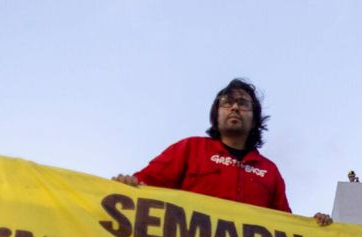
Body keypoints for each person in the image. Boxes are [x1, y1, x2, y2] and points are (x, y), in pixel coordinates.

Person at [113, 78, 331, 225]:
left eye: (243, 104)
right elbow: (144, 184)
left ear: (254, 119)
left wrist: (316, 228)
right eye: (227, 103)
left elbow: (286, 227)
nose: (235, 107)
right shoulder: (189, 149)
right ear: (216, 114)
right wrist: (128, 186)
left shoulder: (269, 171)